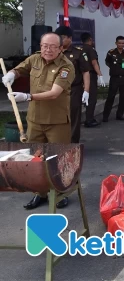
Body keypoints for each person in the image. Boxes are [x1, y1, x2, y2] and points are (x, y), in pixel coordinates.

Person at [2, 32, 74, 210]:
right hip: (35, 120)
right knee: (36, 158)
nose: (48, 50)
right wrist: (12, 74)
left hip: (56, 121)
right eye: (44, 46)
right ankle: (39, 193)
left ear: (60, 48)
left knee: (58, 159)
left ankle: (60, 193)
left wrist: (27, 96)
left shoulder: (66, 67)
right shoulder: (34, 59)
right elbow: (20, 69)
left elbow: (55, 93)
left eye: (52, 47)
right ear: (40, 46)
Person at [55, 26, 91, 143]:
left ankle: (72, 144)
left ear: (70, 38)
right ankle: (58, 142)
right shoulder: (54, 52)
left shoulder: (78, 53)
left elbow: (85, 72)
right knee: (56, 117)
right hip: (55, 90)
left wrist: (86, 90)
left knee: (73, 117)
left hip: (73, 90)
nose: (60, 40)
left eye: (62, 37)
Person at [103, 36, 124, 122]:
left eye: (123, 43)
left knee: (123, 97)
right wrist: (114, 69)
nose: (121, 45)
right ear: (116, 43)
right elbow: (107, 62)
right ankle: (105, 116)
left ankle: (119, 115)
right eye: (119, 43)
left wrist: (122, 70)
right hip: (114, 78)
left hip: (123, 78)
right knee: (111, 97)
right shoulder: (111, 52)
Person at [80, 32, 105, 128]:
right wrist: (100, 75)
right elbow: (94, 63)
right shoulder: (90, 49)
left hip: (81, 75)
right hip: (90, 75)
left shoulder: (80, 49)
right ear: (90, 39)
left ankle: (89, 118)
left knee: (86, 98)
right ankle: (89, 120)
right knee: (91, 99)